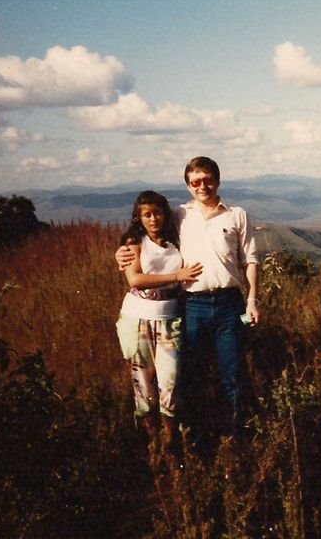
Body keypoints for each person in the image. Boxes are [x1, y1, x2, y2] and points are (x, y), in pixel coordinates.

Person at [117, 157, 260, 440]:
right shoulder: (179, 216)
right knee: (190, 375)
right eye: (196, 182)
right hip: (191, 305)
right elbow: (145, 229)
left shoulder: (236, 215)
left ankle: (239, 438)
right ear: (188, 185)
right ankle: (194, 437)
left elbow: (250, 260)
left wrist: (253, 298)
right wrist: (121, 253)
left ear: (217, 181)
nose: (202, 186)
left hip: (230, 304)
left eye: (207, 180)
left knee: (233, 373)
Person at [116, 190, 202, 454]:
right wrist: (177, 276)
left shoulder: (174, 239)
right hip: (137, 318)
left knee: (170, 382)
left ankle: (170, 440)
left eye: (157, 213)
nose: (153, 219)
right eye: (147, 214)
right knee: (143, 382)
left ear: (165, 213)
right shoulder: (134, 241)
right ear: (139, 218)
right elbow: (135, 279)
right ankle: (152, 443)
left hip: (170, 318)